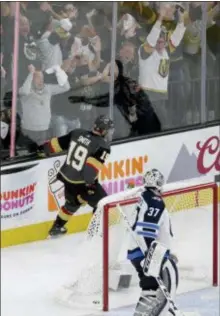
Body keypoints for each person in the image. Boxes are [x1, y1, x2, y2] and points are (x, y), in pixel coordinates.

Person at [41, 115, 114, 237]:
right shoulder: (102, 146)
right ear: (103, 131)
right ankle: (96, 231)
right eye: (109, 130)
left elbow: (55, 145)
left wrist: (41, 149)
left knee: (72, 203)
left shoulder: (77, 133)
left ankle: (57, 227)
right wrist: (90, 186)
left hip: (67, 177)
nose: (110, 133)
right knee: (103, 203)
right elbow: (90, 171)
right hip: (82, 181)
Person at [128, 169, 179, 316]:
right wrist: (148, 256)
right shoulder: (155, 201)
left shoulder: (147, 197)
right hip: (148, 253)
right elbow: (145, 231)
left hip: (145, 252)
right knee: (152, 291)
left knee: (151, 290)